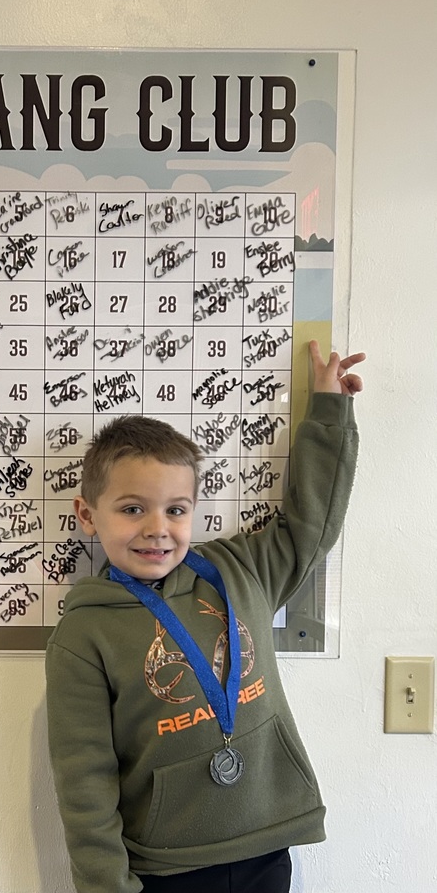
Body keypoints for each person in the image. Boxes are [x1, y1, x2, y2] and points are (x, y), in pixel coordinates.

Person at [46, 341, 364, 893]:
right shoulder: (83, 633)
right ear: (87, 514)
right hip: (168, 868)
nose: (157, 528)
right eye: (132, 508)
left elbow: (310, 526)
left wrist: (330, 410)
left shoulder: (239, 569)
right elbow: (85, 781)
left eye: (175, 509)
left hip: (267, 844)